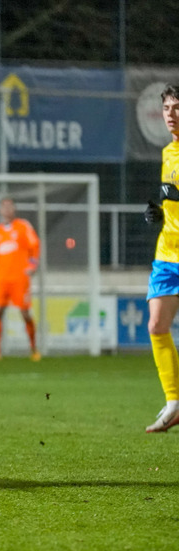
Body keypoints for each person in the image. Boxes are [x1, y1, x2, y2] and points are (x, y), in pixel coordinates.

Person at [142, 83, 179, 433]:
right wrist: (160, 213)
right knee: (156, 326)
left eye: (177, 107)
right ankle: (174, 402)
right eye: (167, 108)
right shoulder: (169, 153)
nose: (171, 114)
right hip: (168, 253)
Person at [0, 197, 40, 361]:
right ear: (0, 210)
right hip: (1, 279)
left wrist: (33, 265)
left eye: (9, 206)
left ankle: (34, 349)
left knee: (25, 313)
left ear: (14, 209)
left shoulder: (23, 226)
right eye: (4, 207)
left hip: (20, 278)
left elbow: (34, 245)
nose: (7, 209)